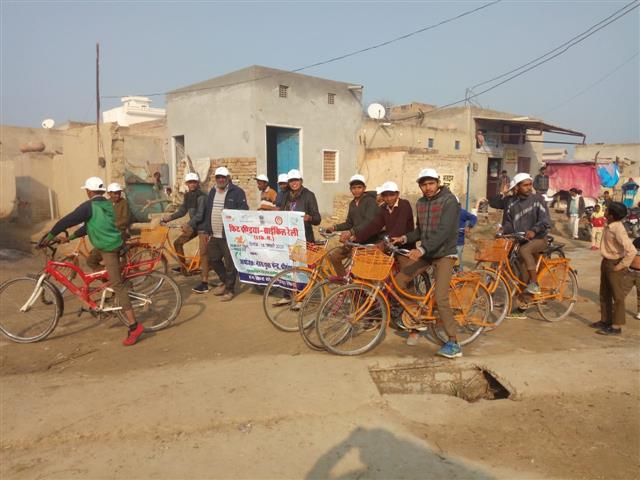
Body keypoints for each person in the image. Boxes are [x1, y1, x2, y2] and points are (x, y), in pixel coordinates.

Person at [39, 177, 142, 346]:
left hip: (109, 247)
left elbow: (66, 221)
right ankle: (111, 283)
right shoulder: (106, 204)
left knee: (118, 285)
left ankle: (134, 326)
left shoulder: (89, 206)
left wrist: (48, 237)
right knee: (91, 261)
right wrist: (69, 238)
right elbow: (88, 226)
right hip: (108, 243)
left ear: (88, 191)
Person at [391, 168, 461, 358]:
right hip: (429, 252)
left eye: (431, 183)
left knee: (440, 297)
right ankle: (417, 316)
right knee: (399, 280)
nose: (428, 187)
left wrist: (421, 249)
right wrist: (404, 238)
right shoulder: (421, 203)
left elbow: (444, 231)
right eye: (424, 184)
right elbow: (420, 231)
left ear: (438, 183)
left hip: (445, 254)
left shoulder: (449, 201)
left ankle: (453, 342)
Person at [355, 181, 417, 345]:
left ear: (397, 194)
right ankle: (378, 313)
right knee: (375, 276)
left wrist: (383, 243)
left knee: (405, 282)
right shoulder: (383, 209)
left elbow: (399, 227)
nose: (389, 198)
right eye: (386, 195)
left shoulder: (404, 205)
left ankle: (414, 324)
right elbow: (374, 226)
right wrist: (356, 238)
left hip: (404, 248)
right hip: (390, 247)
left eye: (391, 194)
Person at [501, 172, 551, 296]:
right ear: (517, 187)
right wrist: (502, 230)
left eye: (530, 184)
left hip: (539, 239)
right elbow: (509, 223)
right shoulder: (512, 203)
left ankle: (535, 284)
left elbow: (545, 221)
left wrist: (534, 230)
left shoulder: (538, 199)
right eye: (525, 185)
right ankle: (522, 295)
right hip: (520, 239)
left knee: (524, 250)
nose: (529, 187)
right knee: (513, 261)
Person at [204, 166, 249, 301]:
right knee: (213, 259)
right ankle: (225, 282)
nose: (221, 179)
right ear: (216, 178)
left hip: (229, 235)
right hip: (214, 234)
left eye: (223, 177)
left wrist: (231, 214)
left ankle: (229, 290)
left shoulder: (237, 192)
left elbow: (244, 210)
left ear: (228, 178)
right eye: (218, 177)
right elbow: (208, 211)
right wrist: (207, 230)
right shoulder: (212, 191)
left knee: (230, 264)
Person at [161, 172, 211, 293]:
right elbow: (183, 210)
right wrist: (169, 217)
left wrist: (188, 224)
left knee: (203, 254)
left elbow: (200, 215)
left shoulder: (202, 196)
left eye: (194, 182)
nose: (192, 184)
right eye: (190, 182)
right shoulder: (188, 195)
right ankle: (184, 268)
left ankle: (205, 283)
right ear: (186, 184)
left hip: (204, 228)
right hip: (194, 226)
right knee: (178, 243)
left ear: (197, 183)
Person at [591, 202, 635, 335]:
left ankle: (616, 326)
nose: (604, 211)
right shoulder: (609, 225)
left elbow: (631, 251)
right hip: (606, 261)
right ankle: (605, 320)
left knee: (617, 296)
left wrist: (621, 266)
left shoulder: (618, 229)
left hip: (615, 263)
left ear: (611, 215)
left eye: (606, 210)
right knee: (604, 293)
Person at [325, 174, 378, 277]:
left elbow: (369, 221)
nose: (356, 190)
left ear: (364, 188)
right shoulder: (352, 203)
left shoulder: (370, 201)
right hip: (355, 241)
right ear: (350, 189)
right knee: (334, 256)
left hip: (367, 241)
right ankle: (344, 282)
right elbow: (349, 222)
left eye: (359, 187)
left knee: (358, 270)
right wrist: (335, 227)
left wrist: (351, 232)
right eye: (354, 188)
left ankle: (357, 285)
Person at [282, 169, 321, 242]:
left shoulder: (309, 195)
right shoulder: (286, 195)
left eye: (296, 180)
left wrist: (309, 218)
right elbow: (282, 213)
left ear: (301, 181)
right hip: (289, 236)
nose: (294, 183)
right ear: (288, 183)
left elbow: (317, 219)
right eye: (291, 181)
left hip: (305, 238)